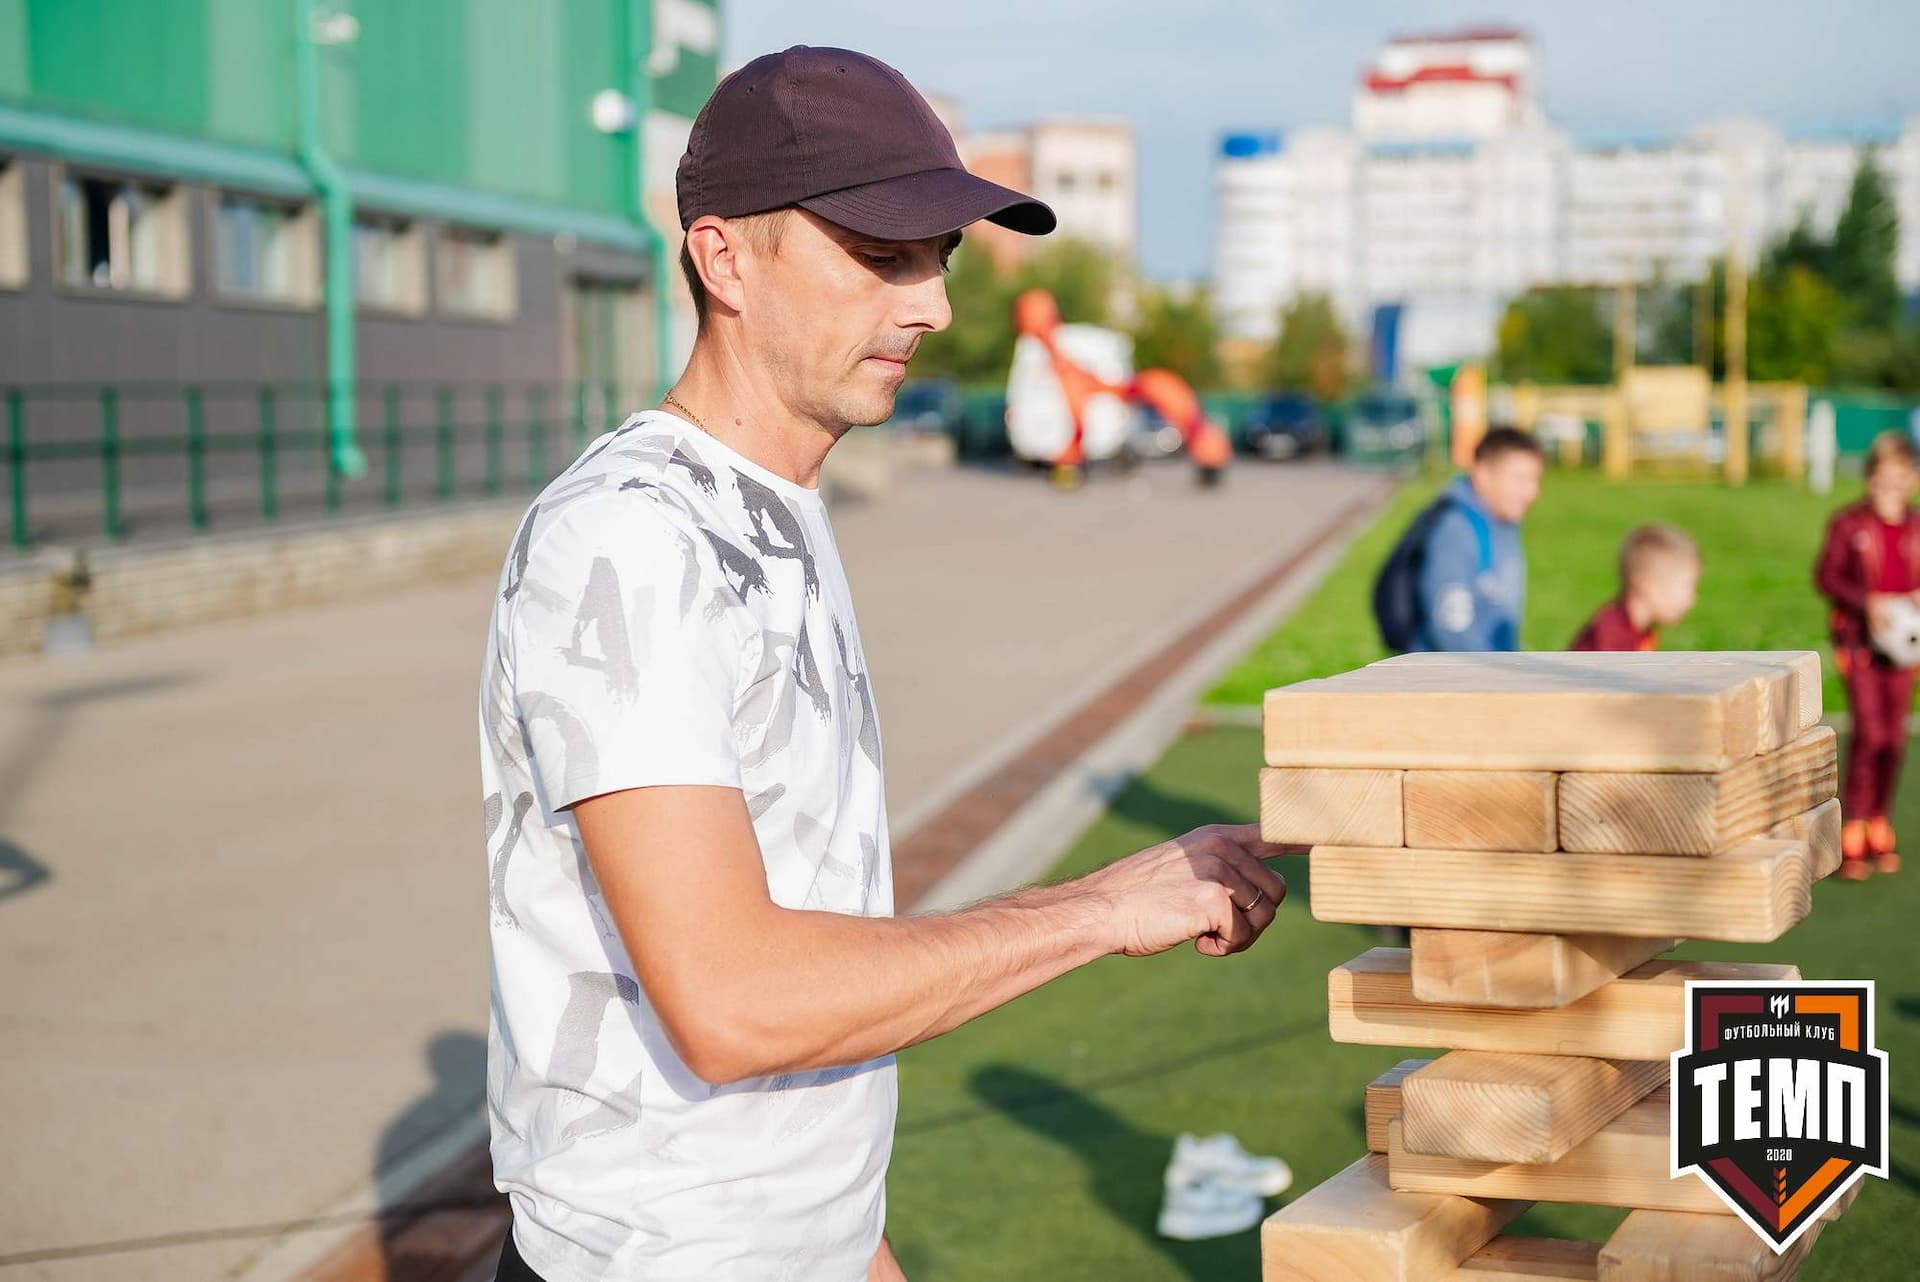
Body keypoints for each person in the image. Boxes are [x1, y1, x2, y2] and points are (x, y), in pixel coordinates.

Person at [477, 46, 1290, 1282]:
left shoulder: (780, 506)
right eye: (880, 254)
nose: (933, 307)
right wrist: (1103, 908)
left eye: (938, 257)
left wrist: (856, 1245)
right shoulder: (629, 537)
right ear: (723, 259)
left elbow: (808, 963)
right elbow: (733, 999)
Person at [1815, 429, 1920, 880]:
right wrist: (1867, 602)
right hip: (1859, 643)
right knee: (1870, 733)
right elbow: (1826, 576)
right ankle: (1852, 824)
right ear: (1869, 477)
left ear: (1912, 479)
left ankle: (1879, 818)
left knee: (1894, 739)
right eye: (1880, 479)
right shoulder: (1849, 524)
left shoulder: (1916, 527)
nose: (1888, 488)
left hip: (1904, 649)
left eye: (1898, 479)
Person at [1413, 427, 1544, 652]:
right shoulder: (1455, 531)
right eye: (1520, 480)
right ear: (1482, 474)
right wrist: (1491, 671)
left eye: (1535, 480)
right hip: (1460, 672)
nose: (1532, 492)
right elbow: (1451, 630)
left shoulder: (1501, 523)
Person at [1569, 523, 1701, 651]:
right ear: (1649, 587)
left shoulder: (1639, 629)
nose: (1691, 600)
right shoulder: (1613, 641)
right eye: (1687, 587)